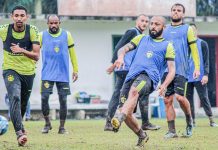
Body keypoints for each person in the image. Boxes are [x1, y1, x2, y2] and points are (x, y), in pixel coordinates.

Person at [111, 16, 175, 148]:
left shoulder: (167, 45)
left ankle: (119, 116)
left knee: (134, 92)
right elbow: (123, 49)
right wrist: (121, 57)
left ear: (164, 28)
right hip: (130, 77)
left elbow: (172, 69)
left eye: (157, 24)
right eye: (151, 24)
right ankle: (141, 135)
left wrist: (164, 85)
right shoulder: (141, 38)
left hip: (149, 78)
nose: (152, 26)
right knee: (128, 111)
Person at [104, 14, 160, 131]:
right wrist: (113, 63)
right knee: (124, 94)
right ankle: (113, 121)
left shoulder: (142, 37)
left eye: (146, 22)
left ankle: (113, 122)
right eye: (142, 21)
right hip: (125, 69)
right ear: (136, 22)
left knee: (127, 94)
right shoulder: (133, 32)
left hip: (130, 69)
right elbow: (119, 47)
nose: (144, 23)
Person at [0, 5, 40, 146]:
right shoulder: (5, 30)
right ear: (12, 17)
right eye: (16, 15)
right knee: (14, 97)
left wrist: (20, 50)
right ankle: (19, 134)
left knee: (23, 103)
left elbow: (36, 56)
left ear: (26, 17)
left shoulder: (33, 31)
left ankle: (20, 127)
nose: (19, 18)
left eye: (22, 15)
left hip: (28, 73)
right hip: (10, 70)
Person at [162, 3, 200, 138]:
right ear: (170, 12)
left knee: (179, 97)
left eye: (179, 11)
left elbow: (194, 50)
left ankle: (189, 120)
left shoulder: (187, 29)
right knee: (167, 100)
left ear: (183, 14)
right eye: (174, 10)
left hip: (181, 69)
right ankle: (172, 131)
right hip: (165, 70)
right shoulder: (164, 29)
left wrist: (197, 67)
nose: (176, 12)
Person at [40, 14, 78, 134]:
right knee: (44, 98)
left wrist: (75, 69)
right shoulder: (41, 35)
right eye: (51, 23)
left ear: (59, 23)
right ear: (47, 24)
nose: (53, 25)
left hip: (63, 74)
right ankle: (47, 124)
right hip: (47, 73)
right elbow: (35, 52)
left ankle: (62, 127)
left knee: (63, 100)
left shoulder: (67, 35)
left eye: (56, 23)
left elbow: (72, 53)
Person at [186, 23, 217, 127]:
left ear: (196, 31)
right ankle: (192, 121)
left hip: (199, 76)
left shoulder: (202, 43)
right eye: (189, 30)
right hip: (187, 77)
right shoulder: (185, 45)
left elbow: (206, 61)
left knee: (204, 98)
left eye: (193, 30)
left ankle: (211, 120)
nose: (192, 32)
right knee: (188, 100)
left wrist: (206, 75)